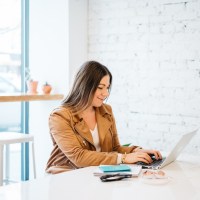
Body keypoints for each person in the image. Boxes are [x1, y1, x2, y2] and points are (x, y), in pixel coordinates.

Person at [46, 60, 162, 174]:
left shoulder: (106, 110)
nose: (106, 93)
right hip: (67, 175)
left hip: (94, 174)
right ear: (84, 86)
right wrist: (123, 158)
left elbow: (115, 148)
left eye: (107, 87)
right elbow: (78, 157)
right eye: (100, 87)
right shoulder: (59, 116)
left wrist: (137, 151)